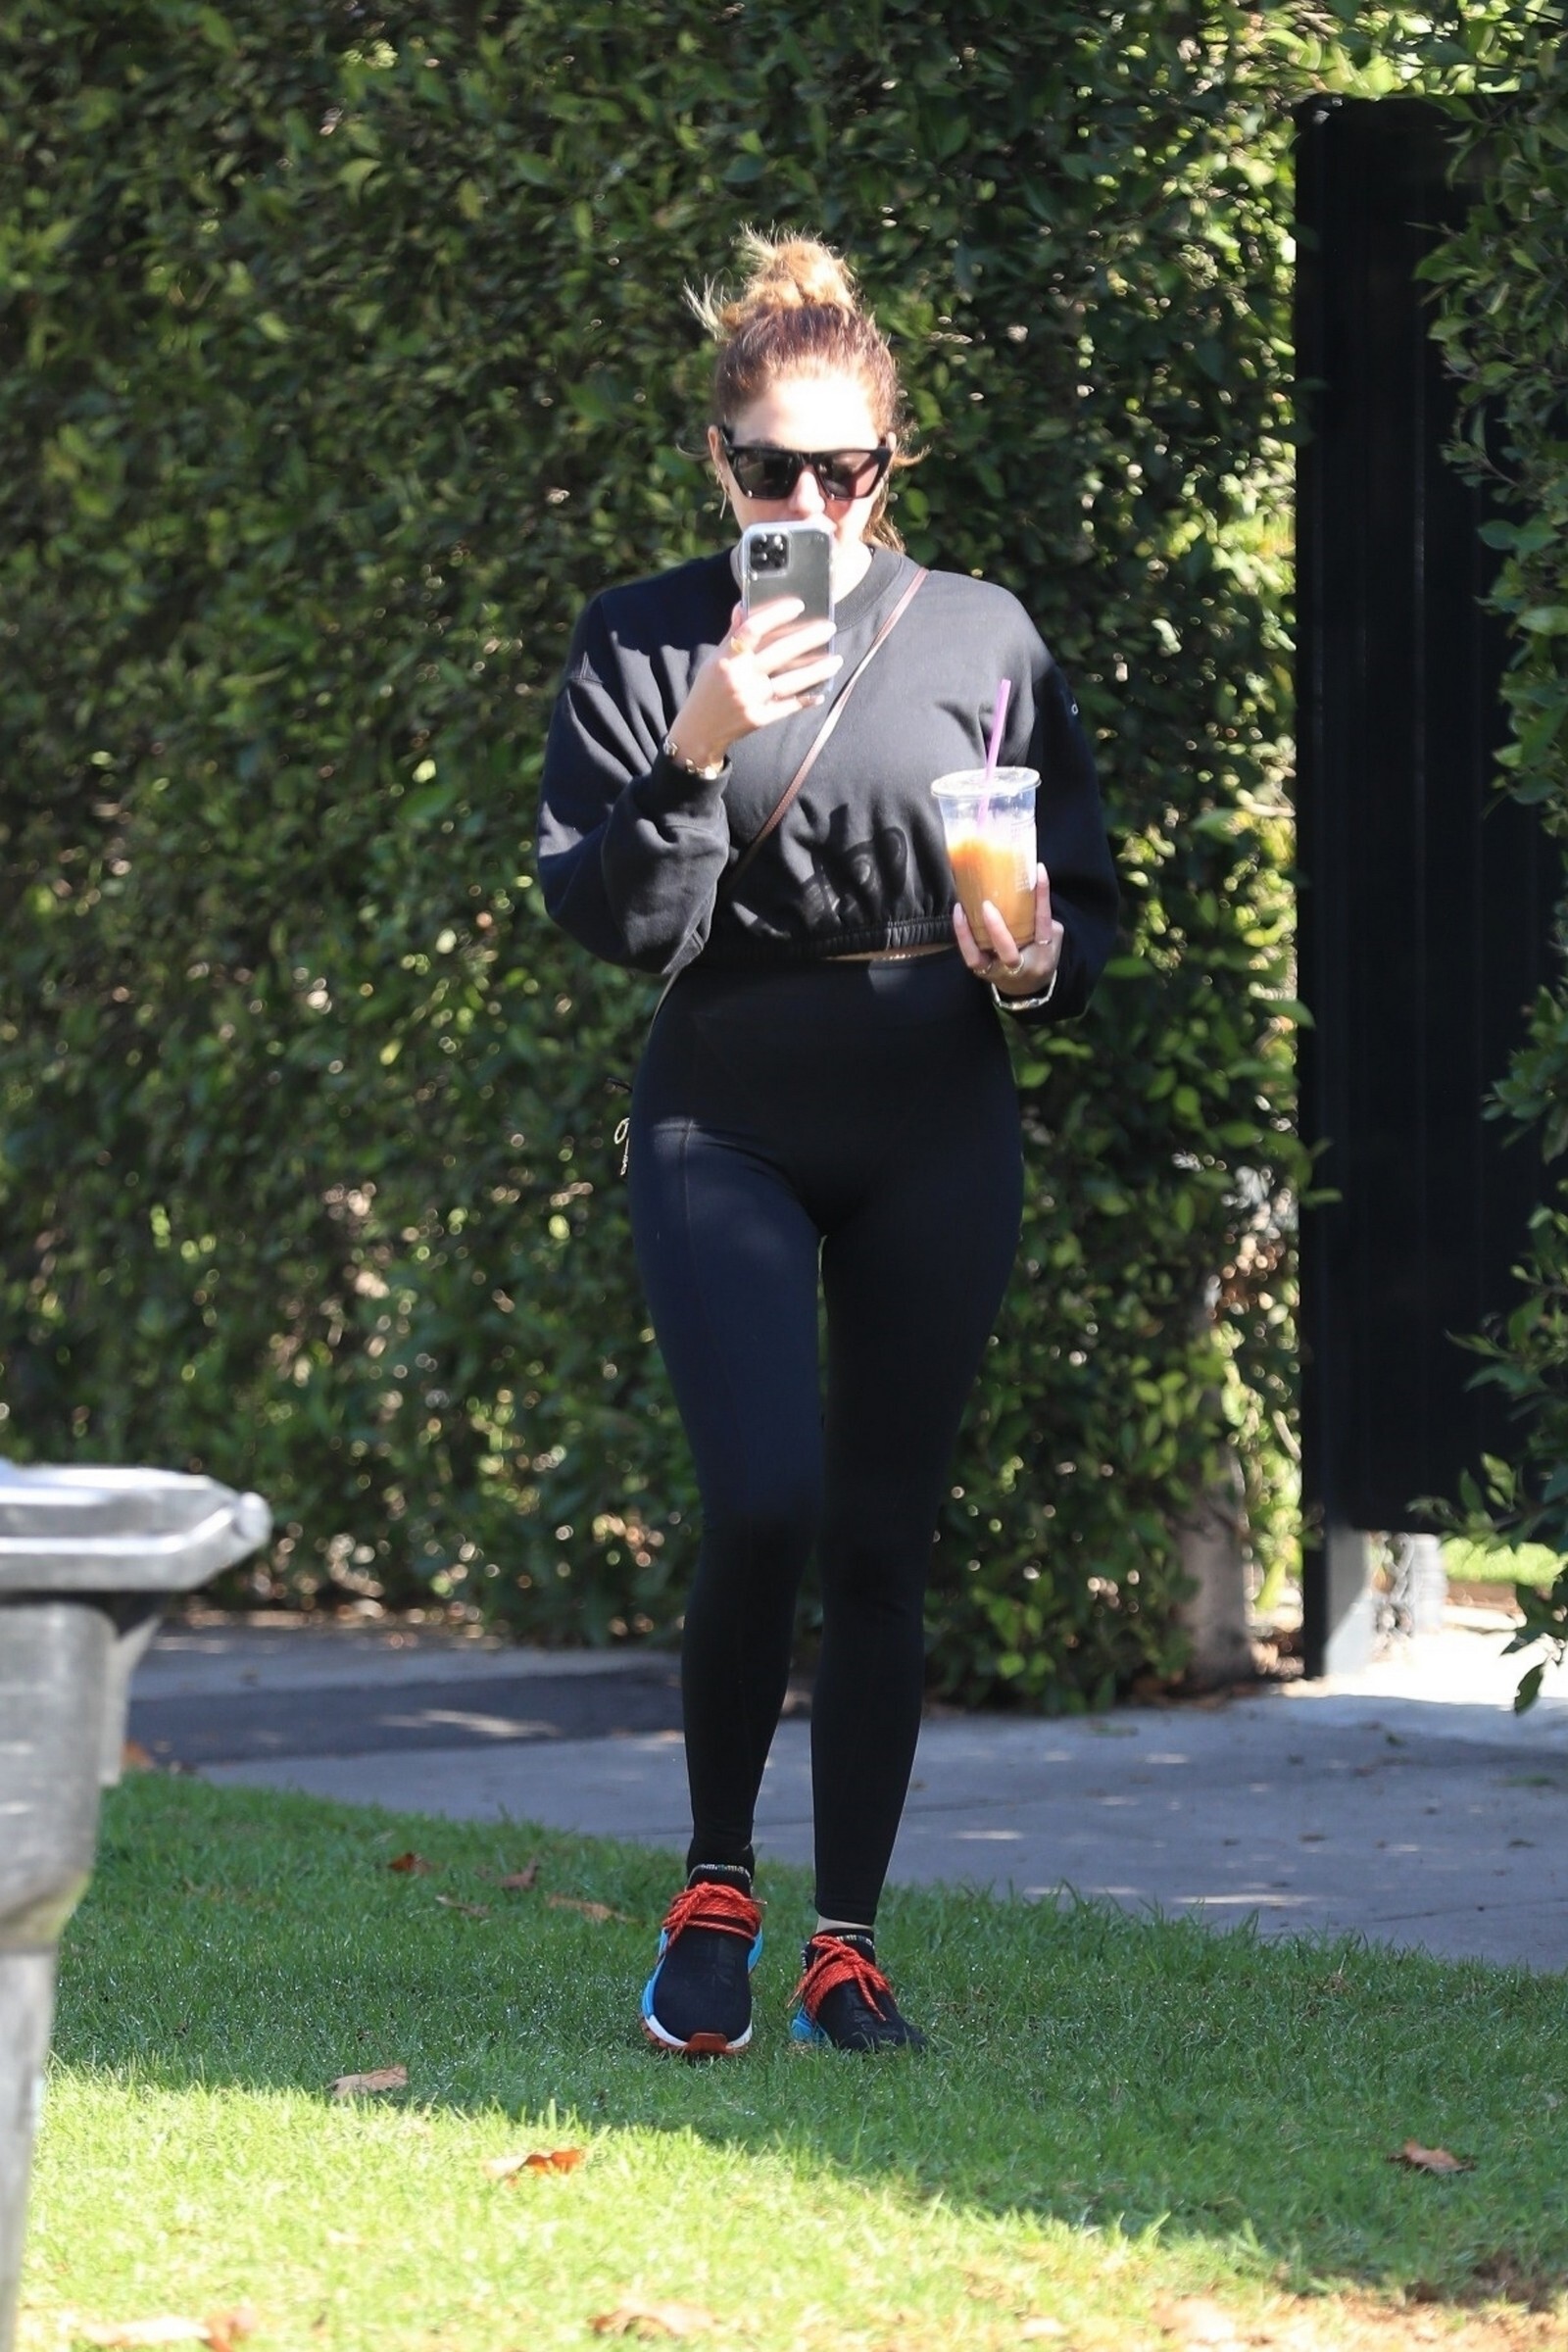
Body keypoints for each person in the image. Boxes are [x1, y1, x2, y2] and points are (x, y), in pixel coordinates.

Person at [536, 230, 1117, 2057]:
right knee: (765, 1499)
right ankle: (714, 1888)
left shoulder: (982, 634)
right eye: (772, 471)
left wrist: (1035, 957)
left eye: (844, 471)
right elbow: (624, 922)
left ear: (891, 463)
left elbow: (1084, 901)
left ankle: (844, 1947)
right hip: (726, 1103)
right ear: (719, 467)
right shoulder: (643, 639)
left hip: (937, 1107)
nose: (808, 505)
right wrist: (700, 743)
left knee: (881, 1540)